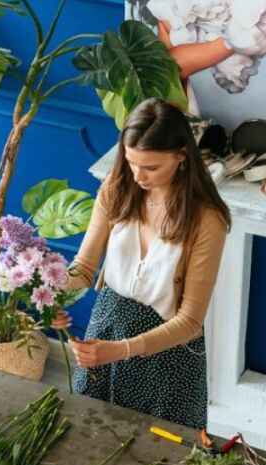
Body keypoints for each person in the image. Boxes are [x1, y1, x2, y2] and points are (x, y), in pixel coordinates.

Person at [53, 98, 231, 430]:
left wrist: (121, 350)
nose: (138, 176)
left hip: (166, 351)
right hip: (106, 328)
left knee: (159, 454)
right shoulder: (117, 189)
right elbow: (83, 269)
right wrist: (52, 293)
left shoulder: (208, 220)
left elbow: (190, 321)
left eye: (151, 167)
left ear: (181, 157)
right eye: (132, 162)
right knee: (88, 436)